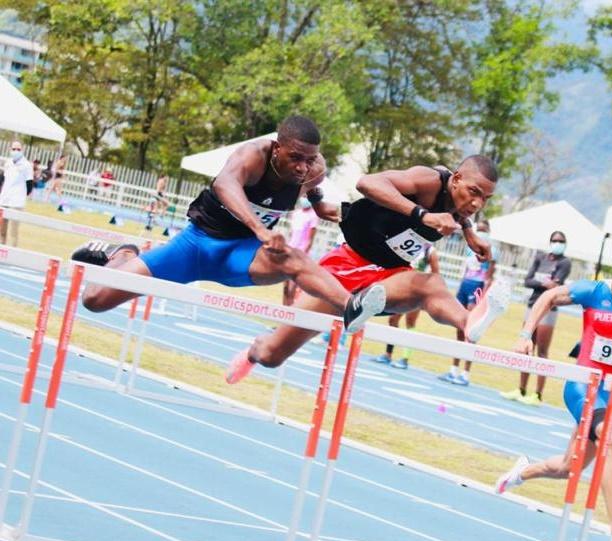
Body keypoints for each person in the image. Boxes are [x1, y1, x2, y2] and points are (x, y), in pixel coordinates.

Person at [70, 115, 384, 335]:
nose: (302, 167)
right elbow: (225, 184)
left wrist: (317, 204)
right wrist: (260, 229)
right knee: (95, 300)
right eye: (295, 158)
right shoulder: (253, 155)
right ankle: (124, 254)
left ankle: (351, 305)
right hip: (195, 246)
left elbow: (312, 185)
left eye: (309, 159)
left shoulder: (314, 169)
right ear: (277, 148)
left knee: (293, 258)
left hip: (241, 256)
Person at [224, 155, 512, 385]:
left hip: (389, 276)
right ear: (456, 179)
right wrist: (422, 216)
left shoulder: (461, 205)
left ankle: (468, 322)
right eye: (474, 192)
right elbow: (367, 182)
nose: (477, 203)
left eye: (485, 198)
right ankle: (253, 353)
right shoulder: (428, 180)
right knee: (272, 355)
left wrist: (469, 232)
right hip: (345, 268)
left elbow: (458, 210)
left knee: (430, 285)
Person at [495, 242, 612, 541]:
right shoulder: (593, 291)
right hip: (583, 385)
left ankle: (521, 472)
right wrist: (525, 335)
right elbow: (549, 297)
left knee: (570, 467)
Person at [500, 230, 572, 405]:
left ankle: (538, 394)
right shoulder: (540, 258)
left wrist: (544, 284)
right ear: (550, 242)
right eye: (555, 240)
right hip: (532, 305)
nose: (557, 243)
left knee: (542, 351)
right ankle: (521, 389)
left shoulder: (565, 262)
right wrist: (543, 283)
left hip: (549, 308)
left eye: (561, 241)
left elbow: (555, 285)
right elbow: (527, 280)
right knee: (525, 347)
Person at [439, 220, 497, 386]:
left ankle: (465, 373)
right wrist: (460, 287)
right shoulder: (470, 247)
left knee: (471, 330)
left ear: (489, 231)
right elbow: (466, 269)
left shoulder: (492, 250)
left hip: (477, 288)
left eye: (484, 230)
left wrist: (484, 295)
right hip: (465, 285)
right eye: (480, 229)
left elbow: (489, 275)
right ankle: (453, 369)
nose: (482, 232)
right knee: (459, 326)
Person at [372, 245, 440, 369]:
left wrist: (426, 292)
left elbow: (436, 275)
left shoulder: (430, 251)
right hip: (402, 288)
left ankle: (405, 359)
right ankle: (388, 354)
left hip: (417, 292)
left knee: (410, 323)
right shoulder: (410, 243)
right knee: (393, 320)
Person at [282, 196, 320, 306]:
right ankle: (284, 306)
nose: (304, 199)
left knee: (294, 282)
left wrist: (304, 253)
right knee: (285, 281)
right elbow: (292, 233)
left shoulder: (313, 216)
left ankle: (291, 306)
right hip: (290, 249)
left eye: (306, 197)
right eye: (303, 196)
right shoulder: (296, 213)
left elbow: (310, 239)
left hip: (301, 252)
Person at [0, 141, 34, 247]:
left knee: (13, 231)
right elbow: (3, 179)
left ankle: (13, 251)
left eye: (18, 149)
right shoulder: (8, 163)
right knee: (2, 230)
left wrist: (21, 195)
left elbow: (29, 185)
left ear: (22, 150)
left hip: (17, 202)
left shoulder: (26, 165)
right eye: (14, 149)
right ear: (10, 149)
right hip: (4, 199)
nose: (16, 151)